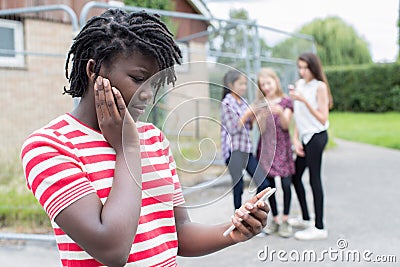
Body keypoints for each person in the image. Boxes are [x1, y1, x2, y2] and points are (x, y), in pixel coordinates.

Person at [20, 9, 272, 267]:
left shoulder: (153, 139)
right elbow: (112, 250)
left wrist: (233, 231)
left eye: (155, 83)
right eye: (139, 79)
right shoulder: (50, 146)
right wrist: (127, 148)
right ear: (94, 70)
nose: (149, 94)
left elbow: (177, 233)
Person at [289, 52, 333, 241]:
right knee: (295, 176)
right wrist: (296, 140)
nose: (302, 71)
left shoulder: (319, 87)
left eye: (306, 68)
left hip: (317, 136)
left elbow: (323, 118)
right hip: (305, 138)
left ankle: (319, 227)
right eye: (300, 67)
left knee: (314, 179)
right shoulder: (299, 85)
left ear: (313, 67)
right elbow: (299, 117)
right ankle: (307, 218)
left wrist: (304, 100)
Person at [220, 69, 269, 210]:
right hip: (233, 150)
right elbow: (234, 128)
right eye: (240, 84)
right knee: (238, 186)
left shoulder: (244, 101)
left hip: (246, 149)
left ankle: (254, 213)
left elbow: (249, 126)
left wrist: (256, 115)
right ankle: (238, 219)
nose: (244, 87)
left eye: (245, 84)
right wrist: (248, 113)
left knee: (263, 183)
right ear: (230, 84)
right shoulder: (227, 102)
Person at [255, 68, 295, 238]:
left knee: (286, 185)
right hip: (267, 149)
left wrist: (279, 112)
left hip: (283, 147)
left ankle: (286, 219)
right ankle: (276, 219)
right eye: (263, 85)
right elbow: (261, 129)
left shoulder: (286, 102)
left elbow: (286, 126)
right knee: (270, 187)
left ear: (275, 81)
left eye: (268, 83)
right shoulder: (261, 103)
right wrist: (262, 116)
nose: (266, 87)